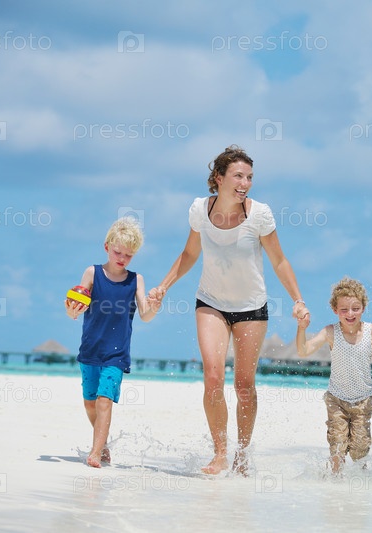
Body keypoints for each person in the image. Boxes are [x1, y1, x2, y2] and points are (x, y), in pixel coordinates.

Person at [148, 145, 309, 476]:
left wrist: (298, 299)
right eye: (238, 176)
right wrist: (164, 286)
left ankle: (242, 456)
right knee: (213, 377)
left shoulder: (259, 214)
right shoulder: (199, 210)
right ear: (219, 178)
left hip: (252, 308)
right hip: (211, 302)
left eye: (249, 177)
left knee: (244, 387)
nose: (245, 183)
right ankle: (220, 452)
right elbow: (189, 254)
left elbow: (279, 260)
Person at [65, 216, 161, 468]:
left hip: (116, 354)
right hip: (90, 349)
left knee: (104, 400)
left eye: (129, 255)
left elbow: (145, 315)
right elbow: (75, 306)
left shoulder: (135, 280)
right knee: (90, 403)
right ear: (107, 246)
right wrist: (71, 309)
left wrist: (154, 306)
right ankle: (104, 444)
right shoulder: (92, 273)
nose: (122, 258)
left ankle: (96, 452)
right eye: (118, 252)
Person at [295, 277, 372, 474]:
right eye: (344, 309)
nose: (350, 314)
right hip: (336, 400)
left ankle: (361, 481)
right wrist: (301, 328)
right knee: (337, 444)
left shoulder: (371, 331)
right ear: (335, 310)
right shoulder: (330, 332)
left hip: (363, 401)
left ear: (363, 308)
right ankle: (335, 482)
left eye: (355, 308)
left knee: (360, 449)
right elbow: (303, 350)